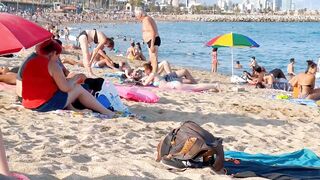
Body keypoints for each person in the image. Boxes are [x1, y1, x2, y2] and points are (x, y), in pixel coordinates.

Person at [20, 39, 114, 116]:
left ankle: (73, 108)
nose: (58, 58)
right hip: (43, 105)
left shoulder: (30, 62)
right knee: (78, 88)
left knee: (66, 86)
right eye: (57, 55)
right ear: (53, 53)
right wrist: (75, 78)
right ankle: (106, 112)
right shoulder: (52, 65)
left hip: (27, 103)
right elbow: (65, 88)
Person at [142, 63, 217, 92]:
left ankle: (215, 85)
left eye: (144, 70)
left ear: (148, 70)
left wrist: (141, 81)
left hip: (174, 85)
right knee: (195, 87)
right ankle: (211, 87)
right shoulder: (154, 75)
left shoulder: (152, 74)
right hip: (173, 84)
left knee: (195, 87)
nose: (144, 72)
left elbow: (145, 84)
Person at [135, 7, 160, 85]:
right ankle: (154, 77)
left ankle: (154, 77)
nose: (136, 17)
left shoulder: (146, 20)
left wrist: (152, 45)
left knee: (154, 61)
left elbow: (153, 32)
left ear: (140, 14)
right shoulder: (147, 19)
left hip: (153, 40)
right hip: (151, 41)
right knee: (152, 61)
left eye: (136, 15)